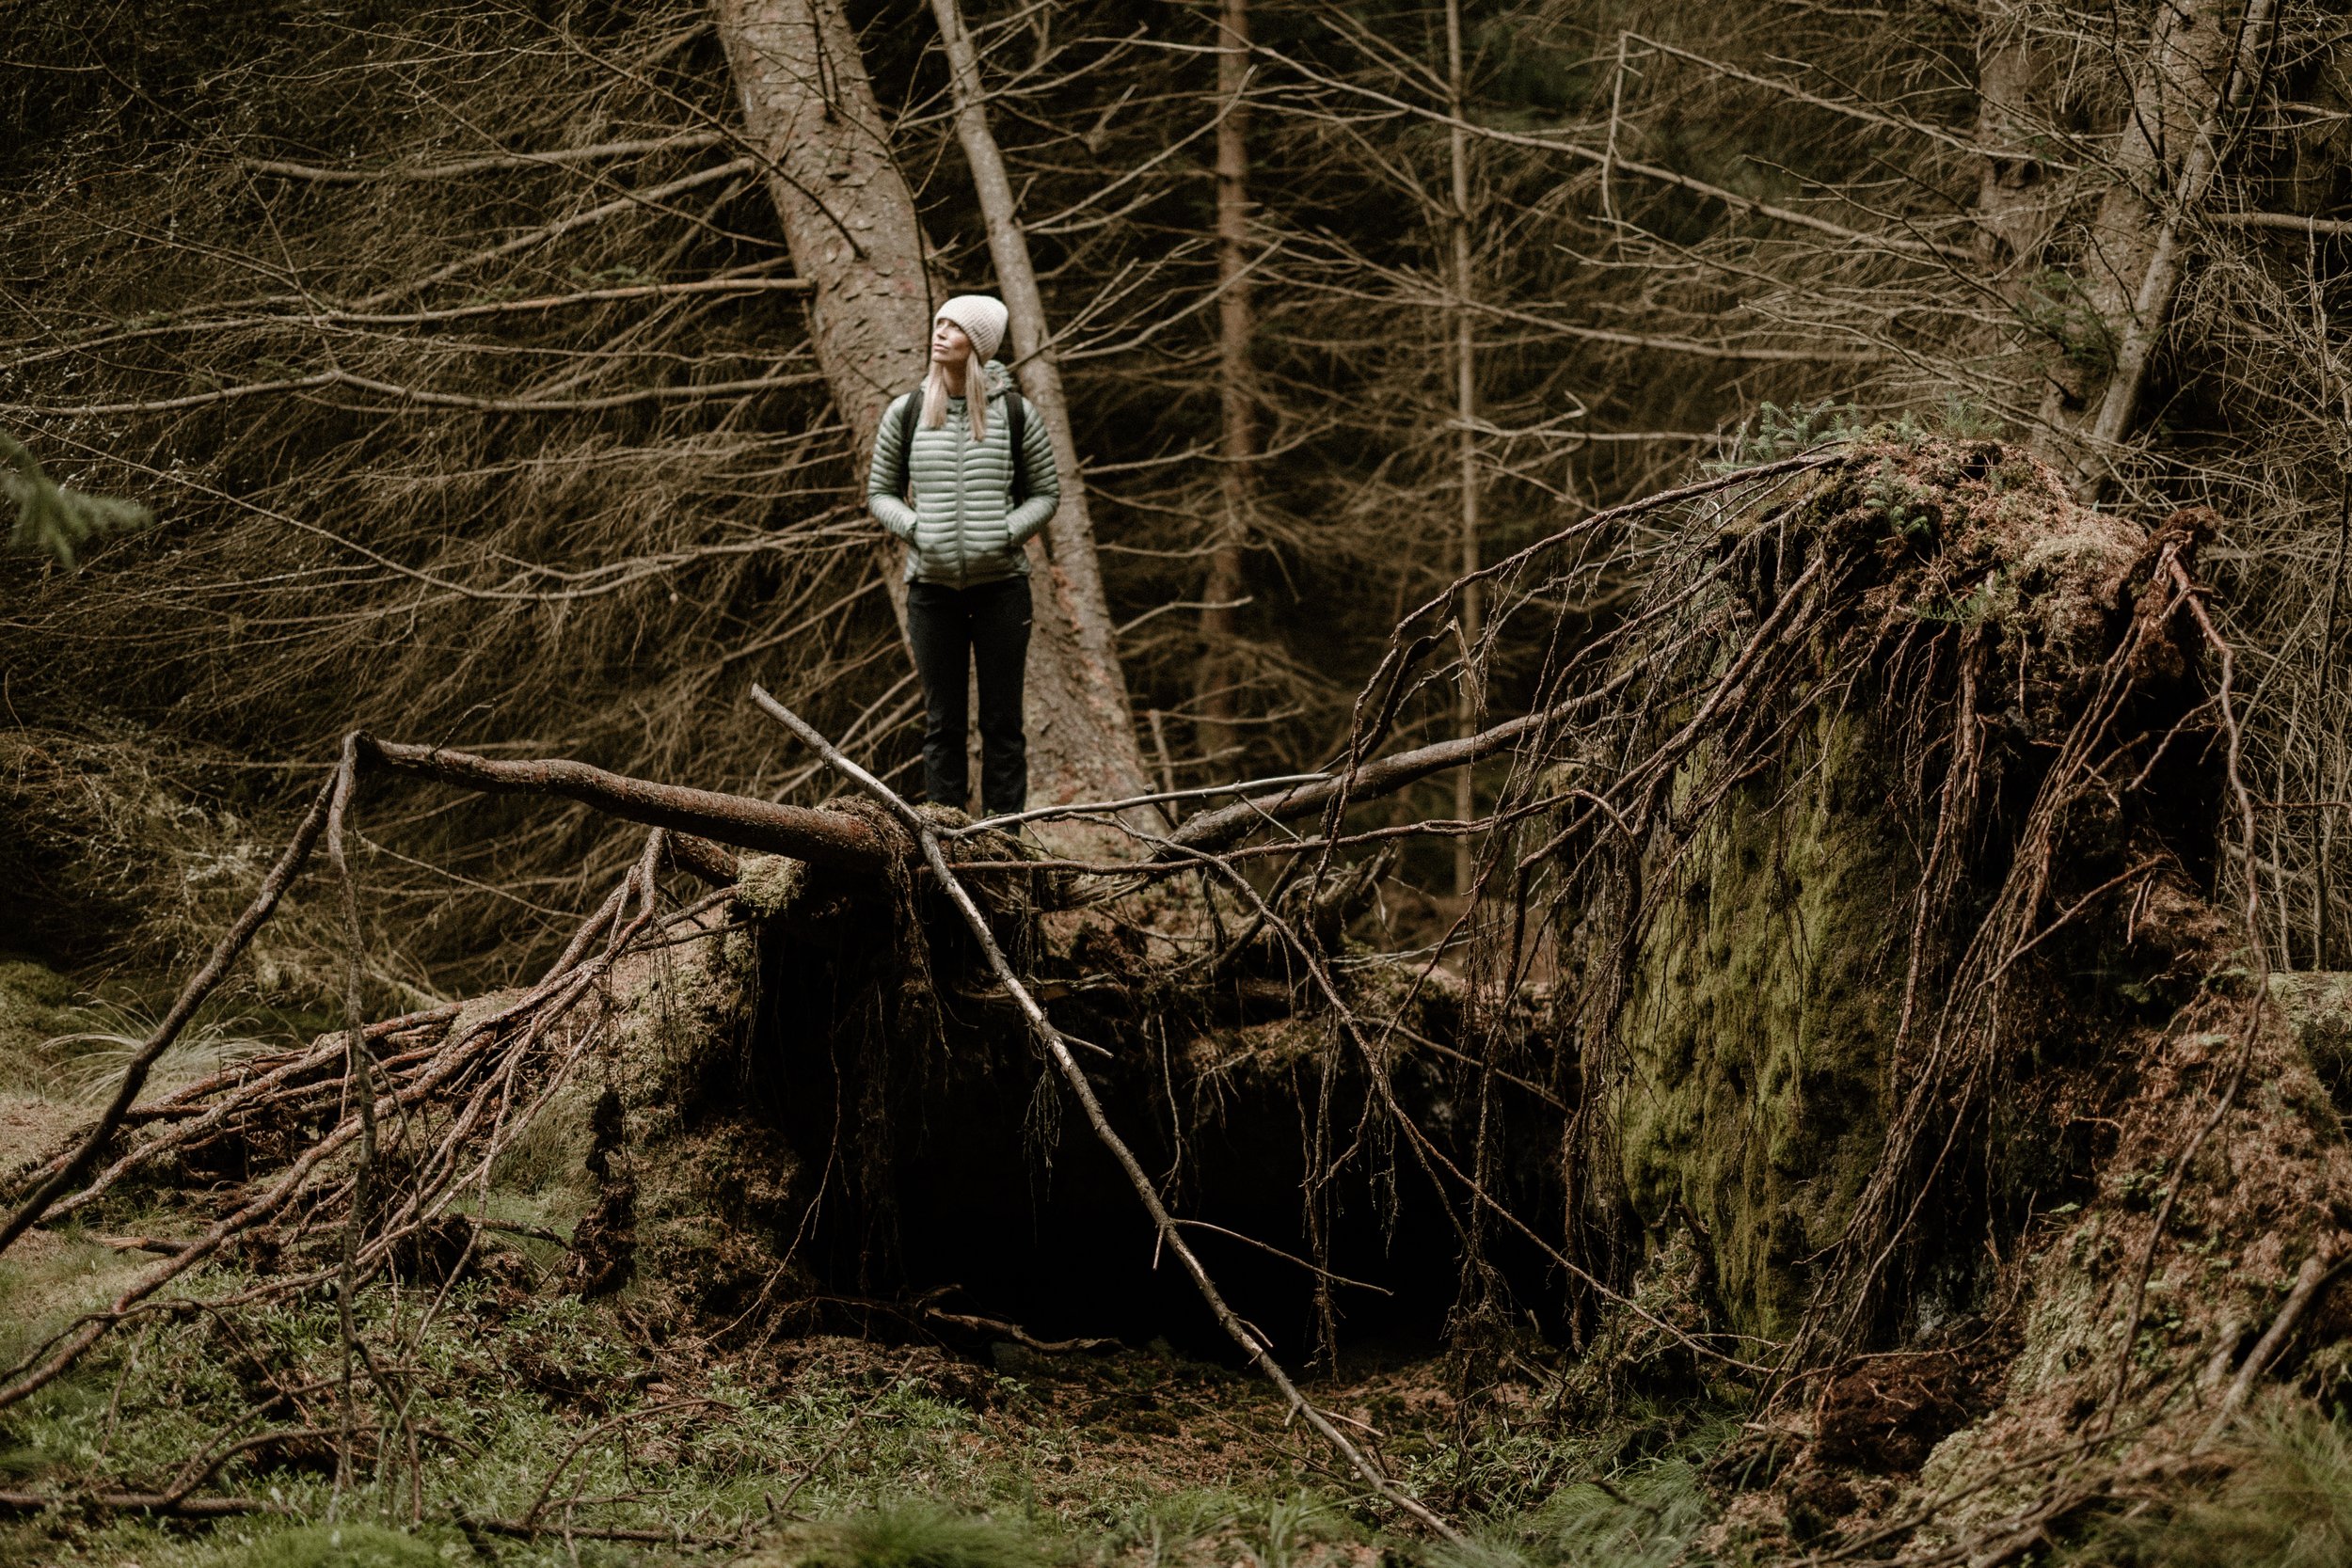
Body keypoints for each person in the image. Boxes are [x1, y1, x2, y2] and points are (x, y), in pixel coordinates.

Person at [866, 295, 1059, 818]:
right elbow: (880, 491)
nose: (941, 332)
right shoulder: (906, 412)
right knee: (942, 726)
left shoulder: (1016, 413)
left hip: (1002, 589)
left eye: (954, 326)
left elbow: (1046, 494)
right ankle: (946, 845)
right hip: (930, 591)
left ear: (978, 344)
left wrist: (1005, 530)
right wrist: (914, 527)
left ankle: (1004, 847)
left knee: (1002, 725)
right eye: (940, 322)